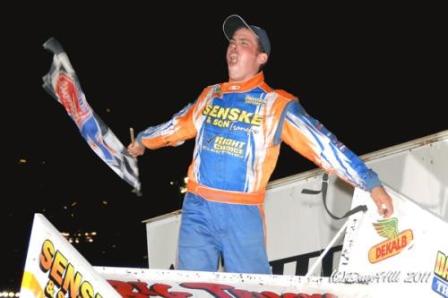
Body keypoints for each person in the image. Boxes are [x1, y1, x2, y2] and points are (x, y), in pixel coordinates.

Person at [127, 14, 394, 274]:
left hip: (242, 212)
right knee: (188, 288)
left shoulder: (277, 104)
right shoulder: (210, 94)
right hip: (198, 208)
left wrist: (370, 182)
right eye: (232, 42)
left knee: (250, 290)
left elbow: (325, 146)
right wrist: (142, 141)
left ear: (261, 58)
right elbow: (176, 127)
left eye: (244, 43)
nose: (234, 47)